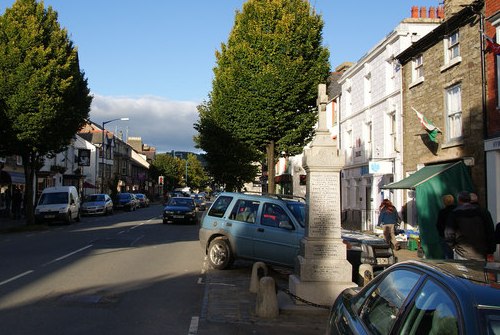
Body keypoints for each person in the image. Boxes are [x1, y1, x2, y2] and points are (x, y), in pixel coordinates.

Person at [445, 191, 496, 261]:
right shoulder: (483, 212)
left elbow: (449, 232)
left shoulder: (455, 213)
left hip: (462, 252)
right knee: (479, 271)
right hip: (480, 253)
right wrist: (491, 250)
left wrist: (453, 246)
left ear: (459, 200)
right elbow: (490, 231)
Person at [436, 194, 455, 259]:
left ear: (444, 202)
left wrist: (442, 234)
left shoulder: (442, 212)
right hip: (457, 237)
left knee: (448, 256)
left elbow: (439, 225)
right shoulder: (458, 211)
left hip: (446, 237)